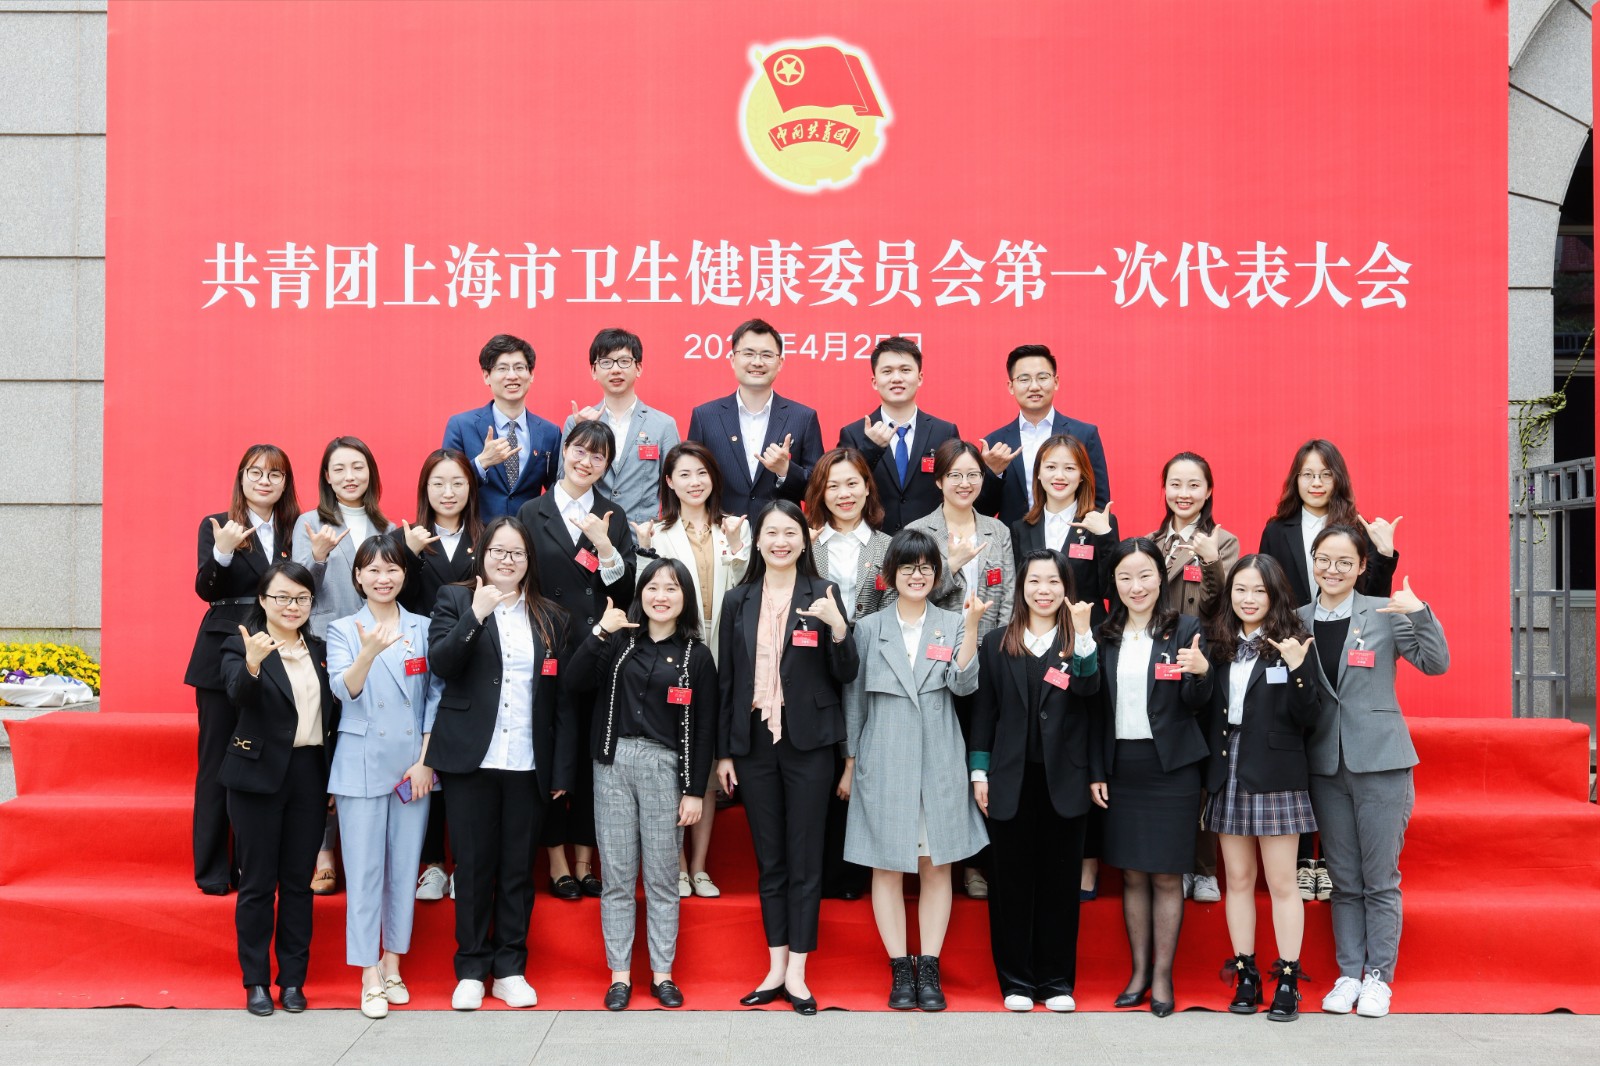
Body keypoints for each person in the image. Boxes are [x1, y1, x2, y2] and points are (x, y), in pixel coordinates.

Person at [419, 516, 577, 1011]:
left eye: (517, 553)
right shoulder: (454, 599)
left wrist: (561, 769)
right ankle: (470, 968)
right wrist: (476, 615)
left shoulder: (552, 616)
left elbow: (561, 700)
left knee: (516, 869)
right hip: (472, 758)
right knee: (472, 867)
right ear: (482, 554)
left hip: (527, 760)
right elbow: (442, 664)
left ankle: (510, 968)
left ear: (529, 561)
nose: (507, 560)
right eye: (498, 551)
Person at [1299, 525, 1448, 1020]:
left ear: (1362, 566)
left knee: (1379, 878)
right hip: (1325, 766)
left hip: (1382, 761)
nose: (1333, 570)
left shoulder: (1385, 612)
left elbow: (1436, 663)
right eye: (1324, 559)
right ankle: (1348, 974)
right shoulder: (1297, 620)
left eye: (1345, 561)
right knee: (1343, 880)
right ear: (1313, 561)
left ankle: (1378, 978)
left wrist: (1419, 613)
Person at [716, 500, 859, 1014]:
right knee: (770, 859)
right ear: (757, 541)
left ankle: (798, 972)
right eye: (771, 533)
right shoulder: (738, 598)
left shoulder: (824, 592)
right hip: (753, 742)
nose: (781, 542)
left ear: (804, 540)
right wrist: (724, 753)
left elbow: (846, 673)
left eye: (790, 533)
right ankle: (775, 966)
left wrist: (838, 628)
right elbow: (727, 680)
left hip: (810, 743)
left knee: (805, 858)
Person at [841, 529, 990, 1012]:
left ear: (937, 573)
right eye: (907, 567)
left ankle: (929, 966)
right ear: (891, 575)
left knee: (936, 864)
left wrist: (971, 629)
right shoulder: (868, 628)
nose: (917, 575)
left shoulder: (952, 622)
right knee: (886, 866)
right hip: (883, 758)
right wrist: (850, 763)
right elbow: (854, 702)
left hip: (939, 757)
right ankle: (899, 968)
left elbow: (964, 686)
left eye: (926, 567)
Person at [568, 559, 718, 1011]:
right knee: (616, 876)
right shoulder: (619, 640)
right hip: (612, 764)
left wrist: (694, 790)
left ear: (685, 597)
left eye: (671, 588)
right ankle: (619, 976)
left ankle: (662, 974)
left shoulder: (697, 655)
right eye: (652, 587)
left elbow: (704, 729)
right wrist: (600, 632)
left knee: (662, 878)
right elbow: (574, 682)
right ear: (641, 594)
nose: (660, 596)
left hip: (664, 768)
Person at [1257, 439, 1399, 901]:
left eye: (1325, 474)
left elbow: (1373, 594)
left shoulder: (1355, 526)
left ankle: (1331, 859)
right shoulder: (1276, 529)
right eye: (1307, 474)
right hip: (1294, 641)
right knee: (1301, 743)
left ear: (1337, 479)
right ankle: (1304, 858)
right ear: (1295, 480)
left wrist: (1386, 555)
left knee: (1334, 743)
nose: (1316, 483)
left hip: (1344, 644)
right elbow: (1268, 586)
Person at [970, 549, 1101, 1012]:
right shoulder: (996, 642)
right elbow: (984, 711)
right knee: (1010, 883)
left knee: (1060, 883)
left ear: (1067, 589)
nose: (1043, 591)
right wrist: (979, 771)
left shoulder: (1079, 641)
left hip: (1065, 780)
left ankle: (1057, 981)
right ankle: (1016, 981)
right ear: (1021, 587)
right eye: (1034, 582)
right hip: (1009, 779)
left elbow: (1089, 691)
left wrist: (1082, 635)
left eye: (1053, 582)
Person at [292, 435, 418, 894]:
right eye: (340, 468)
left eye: (358, 467)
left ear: (371, 473)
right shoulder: (309, 522)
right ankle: (324, 851)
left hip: (381, 651)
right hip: (328, 644)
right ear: (327, 476)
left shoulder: (387, 526)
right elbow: (297, 588)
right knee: (328, 743)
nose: (350, 476)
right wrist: (318, 556)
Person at [1092, 538, 1212, 1017]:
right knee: (1132, 874)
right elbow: (1093, 711)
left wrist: (1201, 674)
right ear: (1114, 583)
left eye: (1145, 575)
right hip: (1121, 766)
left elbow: (1198, 703)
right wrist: (1096, 770)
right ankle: (1139, 972)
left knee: (1165, 875)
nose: (1136, 586)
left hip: (1171, 769)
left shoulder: (1185, 629)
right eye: (1125, 577)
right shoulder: (1103, 634)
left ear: (1161, 578)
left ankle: (1162, 977)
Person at [518, 420, 636, 901]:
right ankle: (557, 861)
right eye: (580, 451)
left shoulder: (613, 514)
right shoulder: (532, 511)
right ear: (564, 451)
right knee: (549, 753)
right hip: (545, 644)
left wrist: (604, 544)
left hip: (598, 648)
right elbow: (519, 578)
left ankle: (586, 860)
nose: (586, 461)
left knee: (593, 755)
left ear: (607, 466)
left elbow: (624, 590)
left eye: (598, 456)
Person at [326, 535, 441, 1018]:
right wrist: (368, 652)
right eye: (372, 570)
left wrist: (426, 760)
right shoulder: (342, 629)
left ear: (404, 575)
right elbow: (343, 690)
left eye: (391, 568)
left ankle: (393, 962)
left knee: (403, 867)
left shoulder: (424, 627)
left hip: (413, 765)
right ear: (357, 577)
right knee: (365, 869)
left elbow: (435, 696)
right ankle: (368, 973)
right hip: (361, 761)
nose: (383, 578)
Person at [631, 440, 750, 899]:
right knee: (673, 756)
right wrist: (643, 550)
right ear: (669, 481)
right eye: (684, 474)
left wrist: (737, 546)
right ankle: (676, 865)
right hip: (674, 653)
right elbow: (646, 596)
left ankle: (699, 867)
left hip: (724, 650)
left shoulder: (735, 527)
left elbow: (745, 590)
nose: (694, 482)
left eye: (702, 473)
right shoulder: (657, 533)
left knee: (707, 757)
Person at [1202, 555, 1318, 1021]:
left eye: (1259, 591)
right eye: (1240, 590)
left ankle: (1288, 977)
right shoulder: (1217, 642)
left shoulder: (1293, 641)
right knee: (1238, 879)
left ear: (1275, 595)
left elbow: (1309, 716)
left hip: (1275, 771)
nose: (1248, 599)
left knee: (1283, 881)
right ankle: (1245, 972)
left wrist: (1298, 669)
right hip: (1227, 766)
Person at [219, 561, 337, 1016]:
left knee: (297, 885)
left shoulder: (320, 649)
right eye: (282, 597)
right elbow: (237, 695)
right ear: (263, 601)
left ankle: (292, 981)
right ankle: (255, 982)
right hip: (257, 778)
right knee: (257, 884)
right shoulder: (242, 644)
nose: (293, 606)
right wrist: (252, 663)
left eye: (302, 598)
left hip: (309, 773)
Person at [186, 444, 300, 896]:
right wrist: (222, 553)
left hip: (281, 651)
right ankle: (213, 869)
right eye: (255, 472)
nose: (264, 481)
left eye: (275, 474)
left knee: (266, 759)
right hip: (222, 651)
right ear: (241, 478)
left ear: (285, 483)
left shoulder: (297, 527)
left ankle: (257, 868)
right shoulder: (218, 524)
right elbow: (205, 589)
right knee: (217, 761)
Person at [905, 438, 1014, 899]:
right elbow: (911, 596)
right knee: (942, 763)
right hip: (935, 664)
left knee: (979, 756)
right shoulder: (919, 531)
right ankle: (933, 856)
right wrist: (951, 566)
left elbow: (1007, 596)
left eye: (973, 475)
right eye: (955, 476)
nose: (965, 483)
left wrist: (998, 652)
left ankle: (975, 862)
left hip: (989, 660)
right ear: (939, 481)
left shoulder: (997, 531)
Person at [1149, 451, 1239, 906]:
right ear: (1164, 489)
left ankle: (1204, 869)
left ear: (1208, 491)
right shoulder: (1151, 542)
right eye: (1175, 484)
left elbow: (1219, 604)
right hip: (1159, 662)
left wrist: (1208, 561)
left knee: (1203, 767)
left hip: (1206, 663)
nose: (1183, 494)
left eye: (1193, 485)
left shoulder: (1224, 541)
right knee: (1170, 764)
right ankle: (1176, 863)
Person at [807, 447, 894, 901]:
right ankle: (819, 869)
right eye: (833, 485)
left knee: (863, 759)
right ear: (820, 492)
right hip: (811, 666)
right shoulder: (806, 544)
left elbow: (894, 606)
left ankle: (853, 871)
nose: (844, 493)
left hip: (871, 665)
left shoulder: (886, 546)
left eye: (852, 483)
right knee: (822, 760)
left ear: (866, 488)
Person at [399, 449, 483, 903]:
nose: (448, 492)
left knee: (466, 763)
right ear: (424, 489)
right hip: (419, 660)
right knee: (425, 758)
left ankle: (465, 866)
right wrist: (408, 555)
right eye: (438, 483)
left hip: (474, 656)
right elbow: (392, 594)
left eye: (457, 483)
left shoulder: (487, 536)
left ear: (471, 487)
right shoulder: (407, 539)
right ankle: (431, 864)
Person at [685, 318, 825, 520]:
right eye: (748, 353)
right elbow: (691, 481)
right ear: (733, 359)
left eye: (766, 355)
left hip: (781, 533)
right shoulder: (705, 417)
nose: (757, 362)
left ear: (780, 362)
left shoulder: (803, 418)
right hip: (721, 531)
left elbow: (819, 489)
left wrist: (786, 470)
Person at [835, 336, 963, 534]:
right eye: (887, 371)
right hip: (873, 539)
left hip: (931, 541)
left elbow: (958, 487)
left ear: (920, 378)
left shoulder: (944, 432)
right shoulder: (853, 433)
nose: (896, 378)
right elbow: (840, 486)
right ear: (874, 381)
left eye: (905, 370)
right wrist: (871, 449)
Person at [976, 344, 1110, 526]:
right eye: (1024, 379)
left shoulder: (1084, 434)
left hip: (1070, 537)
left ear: (1056, 382)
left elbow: (1099, 501)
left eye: (1042, 377)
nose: (1034, 386)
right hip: (1014, 542)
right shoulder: (994, 443)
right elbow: (982, 511)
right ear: (1011, 386)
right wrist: (994, 473)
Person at [560, 327, 681, 528]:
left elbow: (675, 488)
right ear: (594, 371)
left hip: (640, 537)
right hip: (587, 533)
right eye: (606, 362)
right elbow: (563, 483)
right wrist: (583, 433)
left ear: (638, 368)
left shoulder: (663, 425)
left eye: (624, 361)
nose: (615, 370)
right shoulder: (576, 422)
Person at [441, 334, 562, 519]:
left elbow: (558, 489)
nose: (512, 376)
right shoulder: (461, 426)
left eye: (519, 367)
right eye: (502, 368)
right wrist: (482, 462)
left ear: (531, 375)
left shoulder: (549, 432)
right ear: (486, 376)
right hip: (478, 532)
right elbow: (447, 484)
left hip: (528, 532)